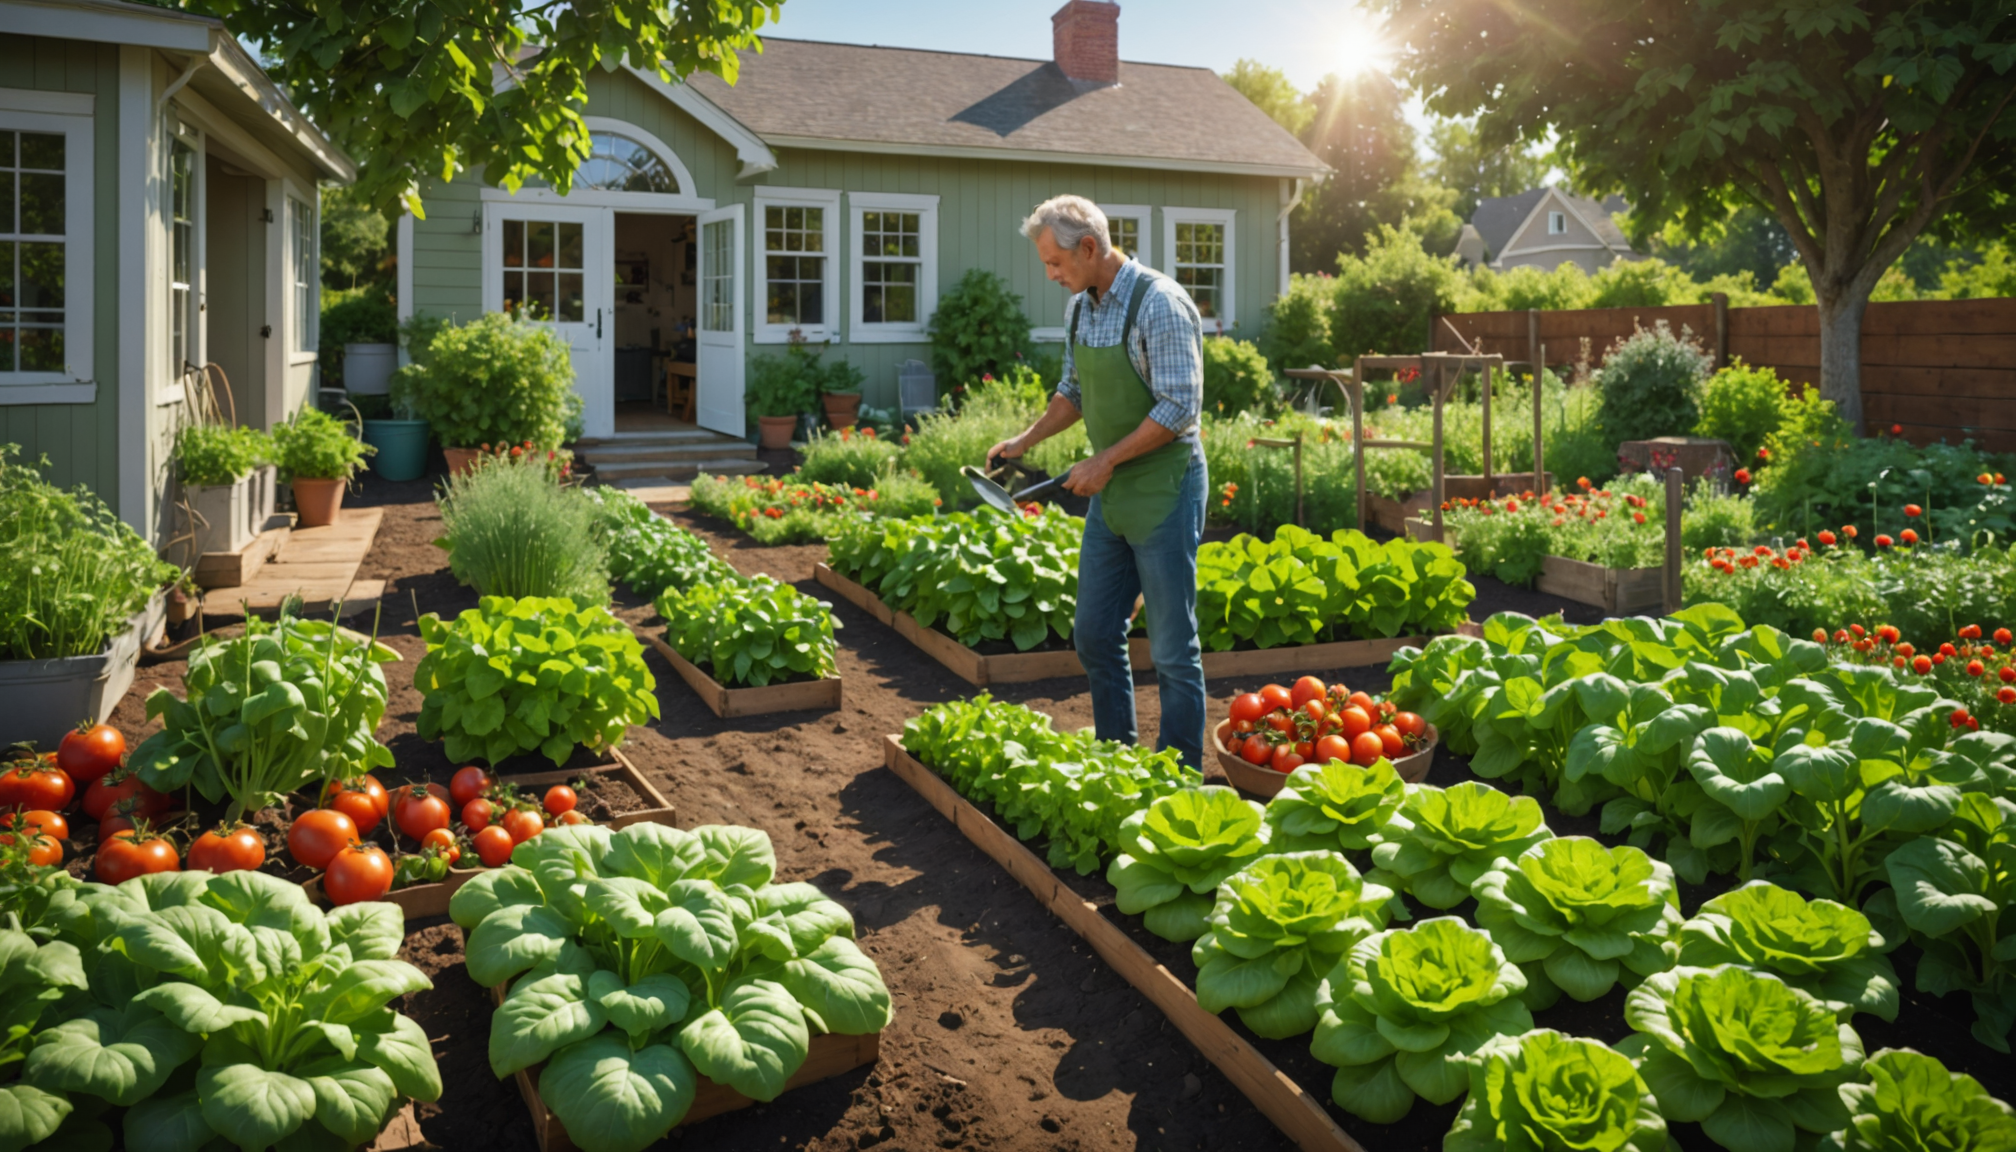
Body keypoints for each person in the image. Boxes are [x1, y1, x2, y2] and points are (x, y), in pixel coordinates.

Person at [988, 195, 1207, 769]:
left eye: (1055, 263)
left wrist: (1105, 460)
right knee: (1094, 632)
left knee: (1173, 649)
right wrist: (1024, 442)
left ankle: (1178, 774)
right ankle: (1117, 760)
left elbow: (1180, 405)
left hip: (1165, 487)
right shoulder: (1082, 308)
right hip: (1112, 494)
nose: (1052, 276)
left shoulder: (1159, 302)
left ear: (1089, 247)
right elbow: (1074, 392)